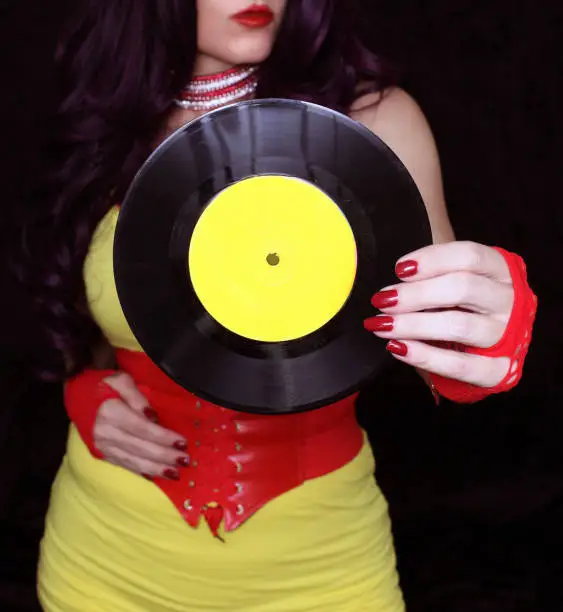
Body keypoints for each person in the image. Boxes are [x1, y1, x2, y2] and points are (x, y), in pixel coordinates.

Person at [23, 1, 537, 610]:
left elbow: (443, 341)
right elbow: (86, 313)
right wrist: (85, 389)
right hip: (103, 562)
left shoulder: (373, 122)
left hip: (318, 569)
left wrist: (483, 342)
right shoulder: (109, 121)